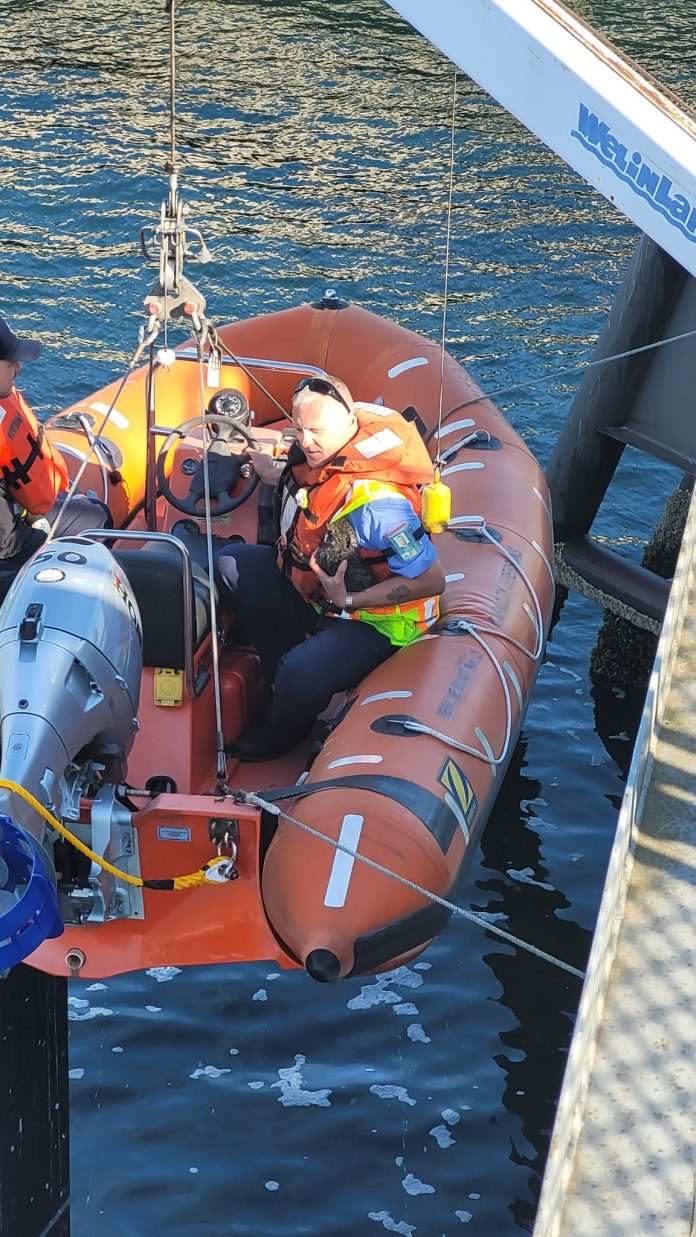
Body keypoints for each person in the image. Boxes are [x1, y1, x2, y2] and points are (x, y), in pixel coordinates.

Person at [214, 374, 446, 761]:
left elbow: (432, 580)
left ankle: (286, 727)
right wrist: (269, 469)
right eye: (300, 429)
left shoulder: (382, 508)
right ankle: (281, 675)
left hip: (375, 621)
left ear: (349, 424)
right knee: (233, 567)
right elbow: (303, 481)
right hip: (321, 594)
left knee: (301, 673)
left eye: (317, 431)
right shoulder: (319, 458)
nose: (306, 441)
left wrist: (352, 599)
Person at [0, 316, 111, 599]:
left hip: (19, 516)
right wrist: (39, 536)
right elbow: (5, 543)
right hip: (11, 552)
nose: (19, 369)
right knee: (96, 521)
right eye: (10, 363)